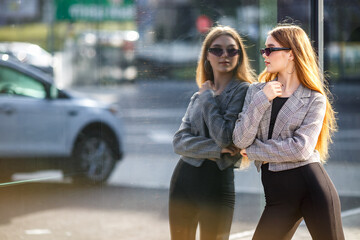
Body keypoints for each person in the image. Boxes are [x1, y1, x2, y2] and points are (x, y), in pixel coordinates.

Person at [232, 24, 345, 240]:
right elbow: (240, 139)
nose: (264, 54)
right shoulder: (256, 92)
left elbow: (300, 149)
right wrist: (262, 100)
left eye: (271, 49)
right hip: (278, 199)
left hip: (313, 190)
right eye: (264, 49)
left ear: (291, 53)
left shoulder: (314, 99)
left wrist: (255, 151)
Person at [169, 25, 256, 240]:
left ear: (239, 55)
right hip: (183, 179)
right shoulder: (199, 94)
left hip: (217, 183)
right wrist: (216, 149)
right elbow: (179, 142)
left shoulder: (244, 90)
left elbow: (225, 136)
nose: (224, 55)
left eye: (231, 50)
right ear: (207, 55)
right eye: (217, 50)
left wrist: (208, 98)